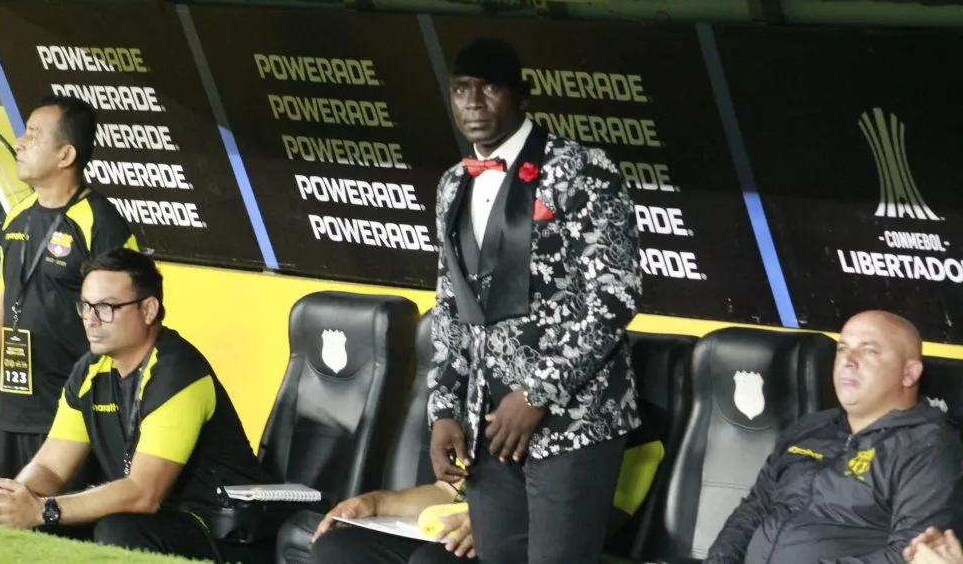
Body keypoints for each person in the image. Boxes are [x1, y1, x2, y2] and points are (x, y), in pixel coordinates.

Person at [426, 38, 642, 564]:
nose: (473, 102)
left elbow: (615, 296)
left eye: (489, 88)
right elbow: (451, 303)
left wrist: (536, 392)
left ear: (523, 96)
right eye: (461, 90)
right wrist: (444, 409)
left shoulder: (583, 168)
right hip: (487, 426)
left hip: (573, 419)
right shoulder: (452, 184)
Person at [0, 248, 272, 560]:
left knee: (115, 530)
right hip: (158, 520)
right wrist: (11, 502)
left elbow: (143, 493)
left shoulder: (178, 373)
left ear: (148, 309)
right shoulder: (90, 370)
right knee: (45, 523)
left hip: (224, 528)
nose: (91, 320)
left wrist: (41, 510)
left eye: (106, 307)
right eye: (85, 306)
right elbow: (50, 467)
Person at [0, 95, 137, 492]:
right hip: (13, 410)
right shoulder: (16, 216)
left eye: (33, 135)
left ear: (66, 155)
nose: (19, 143)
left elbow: (130, 320)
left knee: (57, 525)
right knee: (1, 519)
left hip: (71, 417)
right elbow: (6, 303)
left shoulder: (101, 223)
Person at [704, 310, 963, 564]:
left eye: (869, 351)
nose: (848, 360)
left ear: (909, 373)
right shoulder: (809, 428)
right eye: (842, 349)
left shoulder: (929, 446)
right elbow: (754, 510)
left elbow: (910, 555)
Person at [308, 415, 666, 564]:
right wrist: (374, 503)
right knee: (339, 547)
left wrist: (497, 521)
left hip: (531, 547)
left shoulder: (628, 433)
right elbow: (448, 492)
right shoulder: (502, 413)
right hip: (470, 534)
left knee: (434, 562)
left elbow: (588, 528)